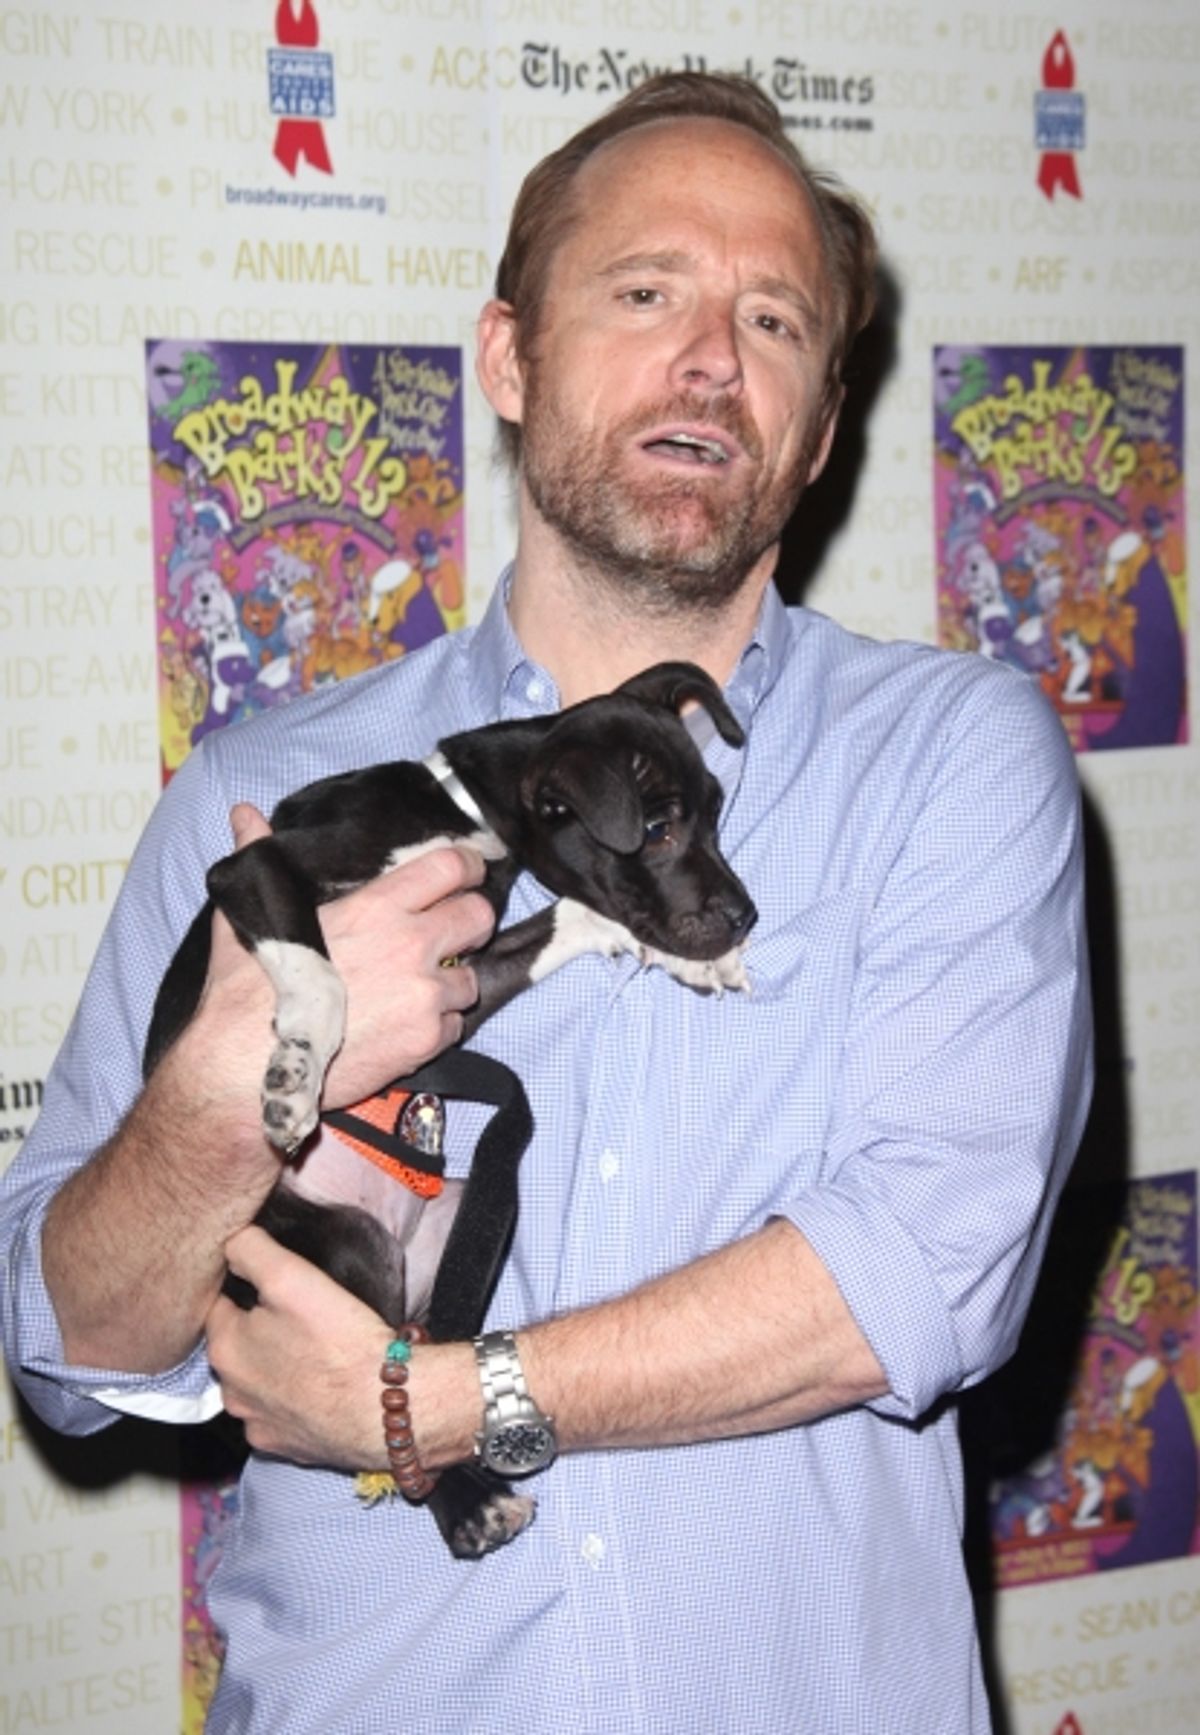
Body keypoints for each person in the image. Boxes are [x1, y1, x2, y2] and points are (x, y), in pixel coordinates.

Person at [0, 73, 1091, 1734]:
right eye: (646, 293)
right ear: (509, 359)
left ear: (819, 428)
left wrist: (436, 1407)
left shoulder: (949, 756)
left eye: (774, 322)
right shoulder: (271, 791)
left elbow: (926, 1267)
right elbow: (68, 1345)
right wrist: (235, 1080)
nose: (710, 358)